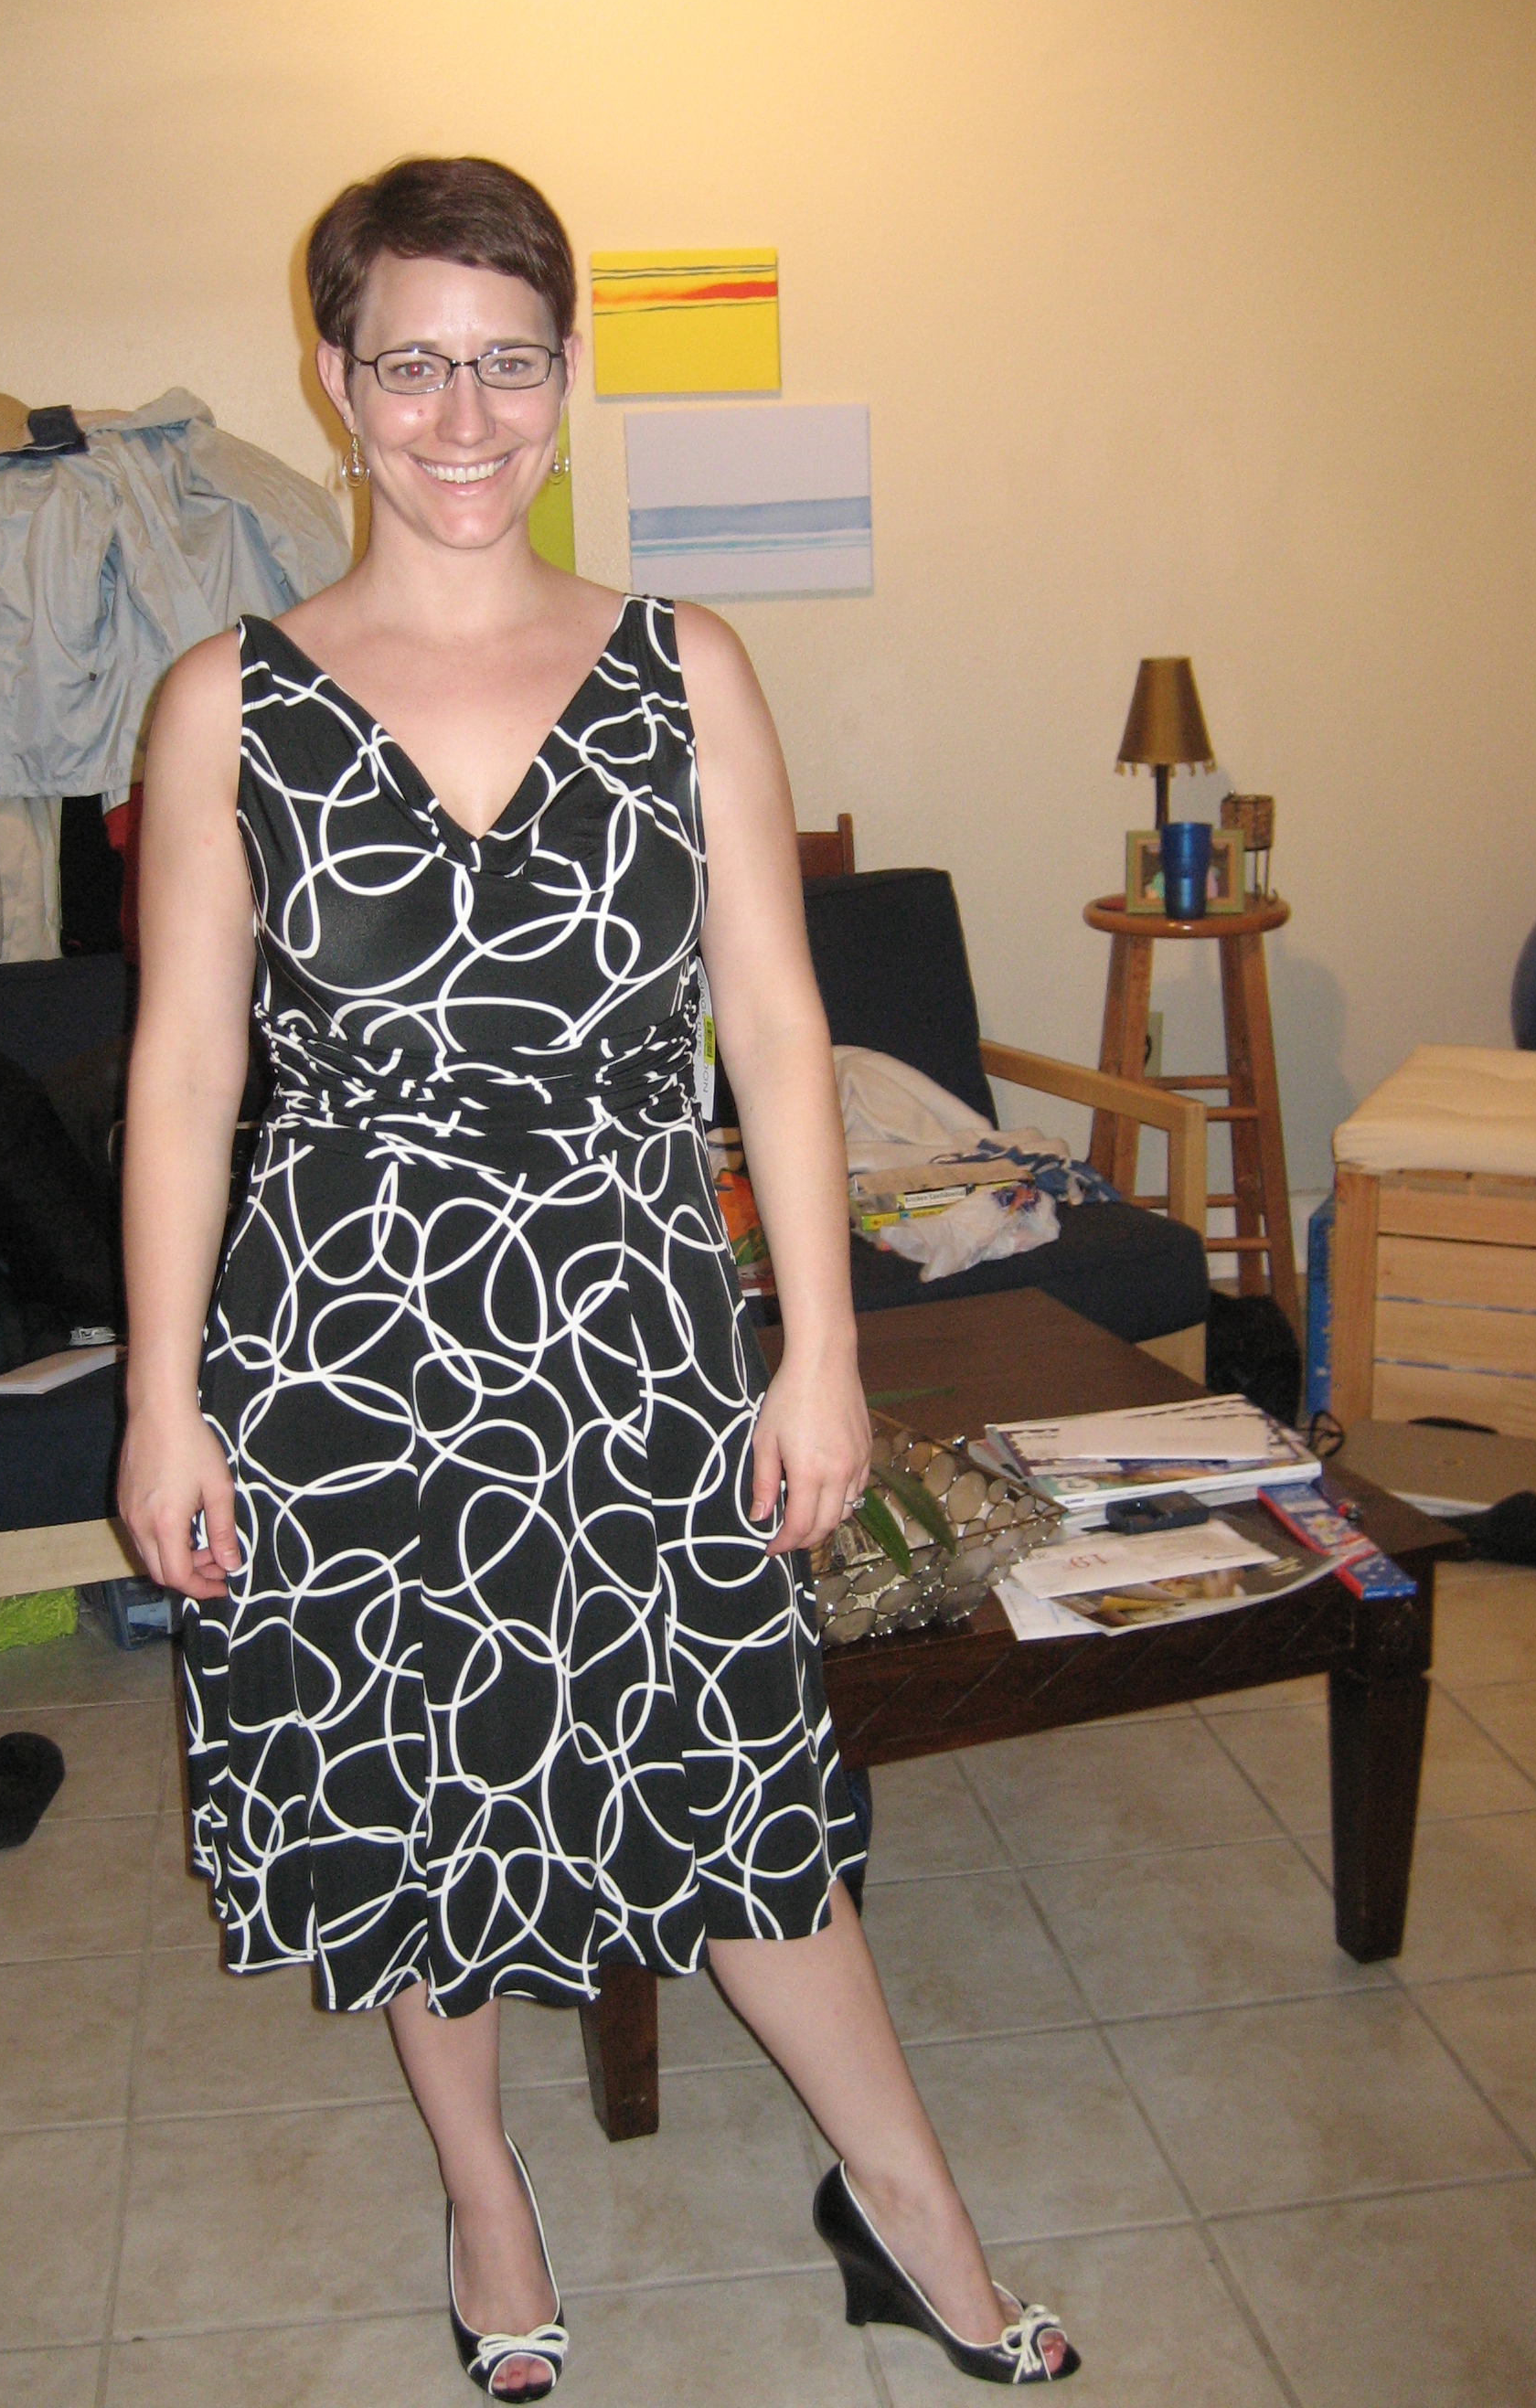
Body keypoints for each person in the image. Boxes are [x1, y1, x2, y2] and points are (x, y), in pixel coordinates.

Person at [118, 155, 1078, 2396]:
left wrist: (819, 1351)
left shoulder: (686, 669)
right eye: (412, 364)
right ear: (333, 376)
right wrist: (163, 1399)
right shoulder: (224, 704)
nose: (463, 417)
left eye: (510, 362)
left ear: (568, 375)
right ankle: (486, 2195)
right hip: (347, 1340)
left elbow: (777, 1032)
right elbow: (183, 1075)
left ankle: (909, 2203)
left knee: (740, 1778)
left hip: (639, 1326)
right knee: (407, 1786)